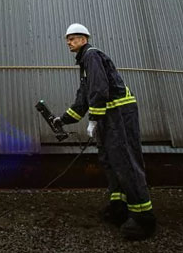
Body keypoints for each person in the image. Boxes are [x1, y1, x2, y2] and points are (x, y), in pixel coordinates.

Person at [53, 23, 157, 241]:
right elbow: (84, 97)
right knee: (111, 160)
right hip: (109, 117)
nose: (68, 42)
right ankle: (119, 207)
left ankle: (143, 218)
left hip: (119, 116)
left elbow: (100, 90)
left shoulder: (91, 56)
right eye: (67, 39)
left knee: (125, 161)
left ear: (84, 39)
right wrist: (63, 120)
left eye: (72, 38)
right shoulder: (84, 63)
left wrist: (94, 119)